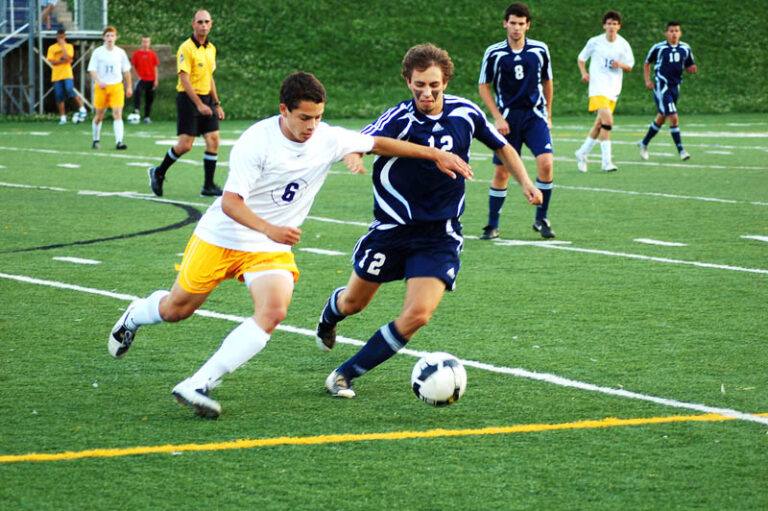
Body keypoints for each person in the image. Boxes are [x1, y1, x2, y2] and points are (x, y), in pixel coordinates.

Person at [107, 71, 472, 419]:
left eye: (318, 117)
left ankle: (198, 384)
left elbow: (377, 143)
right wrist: (270, 229)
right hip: (223, 235)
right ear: (284, 111)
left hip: (269, 247)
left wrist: (434, 154)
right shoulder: (257, 140)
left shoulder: (325, 137)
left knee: (273, 311)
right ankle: (136, 314)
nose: (311, 126)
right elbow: (231, 202)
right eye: (303, 118)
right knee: (176, 310)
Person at [315, 44, 542, 399]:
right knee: (353, 304)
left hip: (440, 234)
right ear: (408, 81)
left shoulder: (465, 112)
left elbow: (502, 146)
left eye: (434, 84)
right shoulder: (399, 119)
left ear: (446, 81)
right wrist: (355, 155)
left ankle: (344, 374)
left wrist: (526, 182)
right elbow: (362, 140)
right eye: (419, 84)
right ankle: (330, 317)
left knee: (418, 315)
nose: (427, 92)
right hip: (392, 232)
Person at [478, 2, 555, 240]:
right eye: (512, 23)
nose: (516, 28)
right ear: (505, 24)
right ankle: (492, 225)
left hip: (534, 116)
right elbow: (483, 86)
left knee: (546, 164)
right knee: (502, 172)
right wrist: (497, 117)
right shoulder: (494, 52)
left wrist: (548, 113)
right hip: (508, 119)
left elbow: (547, 82)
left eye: (521, 24)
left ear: (527, 26)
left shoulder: (540, 50)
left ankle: (541, 219)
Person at [148, 9, 225, 198]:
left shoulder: (211, 48)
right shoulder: (186, 48)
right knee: (185, 145)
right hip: (188, 100)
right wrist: (199, 104)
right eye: (200, 22)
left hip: (207, 99)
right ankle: (158, 172)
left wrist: (216, 103)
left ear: (211, 24)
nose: (203, 25)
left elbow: (210, 77)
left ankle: (208, 186)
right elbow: (184, 80)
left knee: (214, 140)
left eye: (207, 22)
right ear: (193, 24)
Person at [574, 10, 634, 172]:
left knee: (600, 124)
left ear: (619, 26)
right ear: (604, 25)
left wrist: (619, 65)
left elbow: (630, 66)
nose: (611, 27)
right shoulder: (595, 42)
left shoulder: (623, 44)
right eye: (609, 24)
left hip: (613, 89)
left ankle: (582, 152)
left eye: (614, 24)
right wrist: (584, 73)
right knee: (608, 122)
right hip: (597, 87)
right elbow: (581, 59)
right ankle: (606, 162)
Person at [638, 21, 697, 161]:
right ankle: (681, 150)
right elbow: (647, 63)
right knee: (674, 117)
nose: (674, 33)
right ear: (666, 33)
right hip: (662, 86)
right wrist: (647, 81)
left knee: (661, 117)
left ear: (680, 33)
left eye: (677, 31)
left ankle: (644, 142)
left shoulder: (685, 48)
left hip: (675, 86)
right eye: (671, 31)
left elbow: (689, 65)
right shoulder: (659, 48)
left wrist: (691, 69)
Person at [87, 26, 132, 150]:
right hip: (102, 87)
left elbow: (126, 71)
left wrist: (129, 87)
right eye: (107, 36)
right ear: (103, 38)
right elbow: (91, 69)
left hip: (116, 86)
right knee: (99, 116)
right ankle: (96, 139)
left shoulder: (120, 52)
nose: (110, 38)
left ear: (116, 37)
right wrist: (99, 80)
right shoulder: (98, 52)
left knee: (117, 114)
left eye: (112, 36)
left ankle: (119, 142)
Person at [46, 29, 87, 125]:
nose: (60, 39)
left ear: (64, 37)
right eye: (59, 37)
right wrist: (62, 61)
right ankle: (63, 117)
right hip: (56, 75)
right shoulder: (52, 48)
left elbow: (68, 58)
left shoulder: (69, 46)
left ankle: (82, 108)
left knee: (69, 90)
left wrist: (63, 47)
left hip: (67, 74)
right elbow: (51, 61)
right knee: (59, 96)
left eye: (62, 37)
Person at [131, 36, 160, 124]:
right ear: (141, 43)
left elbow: (155, 67)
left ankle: (147, 116)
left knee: (149, 98)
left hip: (151, 79)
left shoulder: (153, 54)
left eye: (147, 42)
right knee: (138, 92)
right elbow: (133, 66)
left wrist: (156, 80)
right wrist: (137, 76)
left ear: (149, 43)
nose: (145, 44)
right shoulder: (136, 54)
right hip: (141, 79)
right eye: (144, 42)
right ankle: (136, 110)